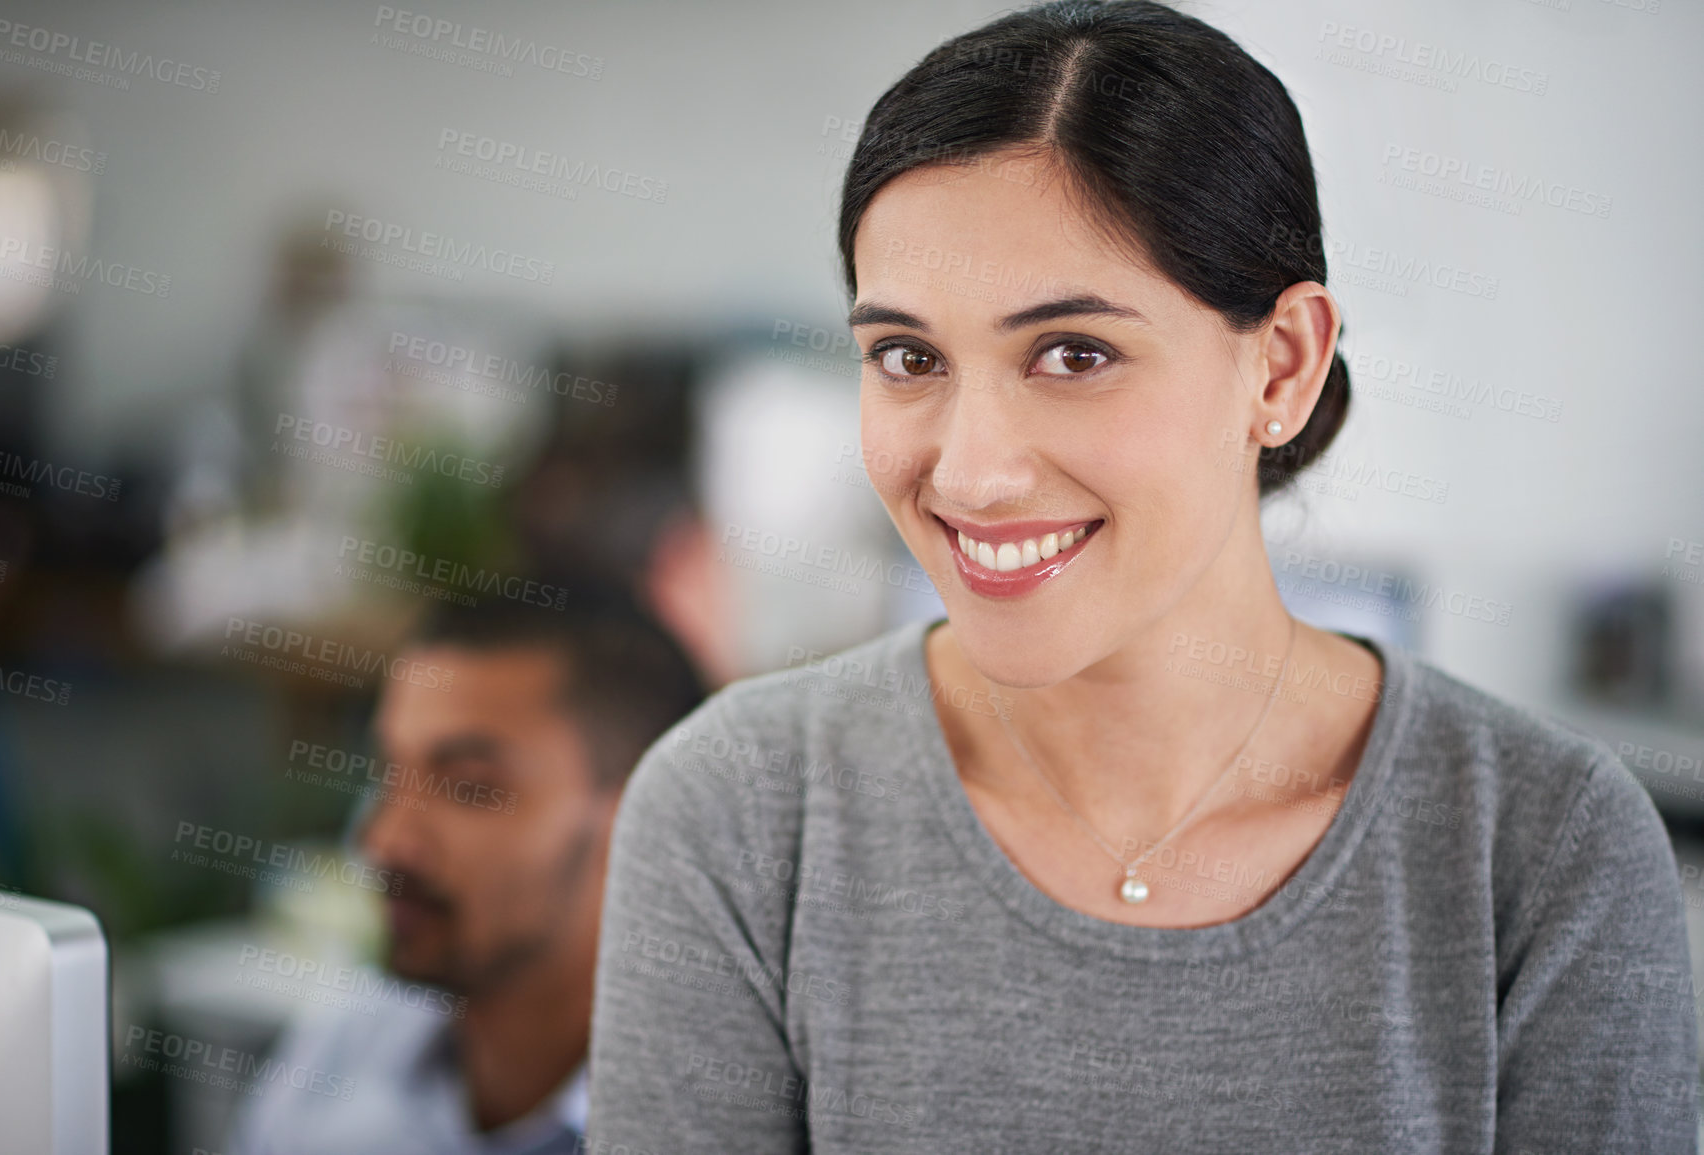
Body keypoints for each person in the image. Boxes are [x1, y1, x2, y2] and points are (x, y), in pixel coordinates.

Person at [584, 2, 1699, 1151]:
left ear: (1282, 365)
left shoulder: (1544, 850)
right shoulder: (743, 813)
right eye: (908, 359)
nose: (971, 472)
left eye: (1075, 354)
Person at [226, 584, 706, 1154]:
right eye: (388, 773)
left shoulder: (720, 1124)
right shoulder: (342, 1056)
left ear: (641, 819)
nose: (382, 841)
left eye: (469, 788)